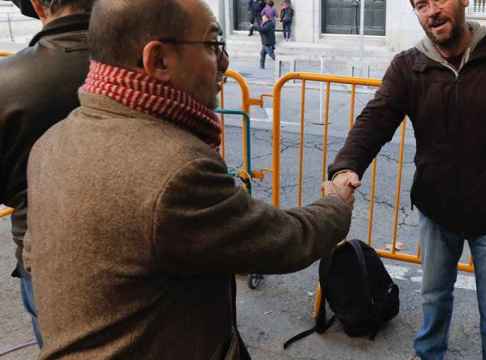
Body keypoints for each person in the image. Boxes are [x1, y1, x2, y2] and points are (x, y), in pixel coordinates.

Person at [25, 0, 354, 358]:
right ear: (160, 60)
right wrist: (336, 203)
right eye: (213, 45)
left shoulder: (52, 141)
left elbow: (34, 257)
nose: (224, 63)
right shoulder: (176, 170)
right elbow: (284, 241)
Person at [328, 0, 486, 359]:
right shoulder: (409, 66)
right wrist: (346, 167)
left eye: (439, 0)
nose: (431, 11)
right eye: (420, 5)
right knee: (434, 300)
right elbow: (375, 120)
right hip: (437, 211)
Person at [0, 0, 95, 348]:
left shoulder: (6, 81)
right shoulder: (147, 63)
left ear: (39, 6)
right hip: (146, 248)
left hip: (45, 257)